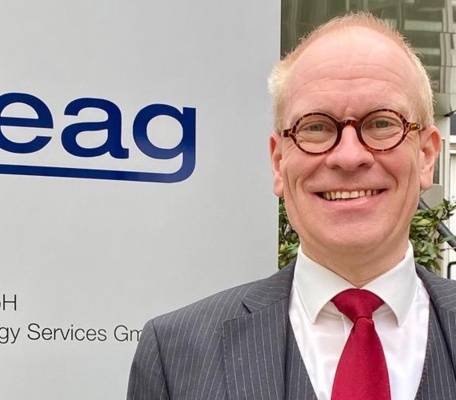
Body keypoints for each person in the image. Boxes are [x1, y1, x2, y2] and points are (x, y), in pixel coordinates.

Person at [127, 12, 456, 400]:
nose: (348, 156)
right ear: (279, 162)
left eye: (382, 123)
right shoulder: (175, 353)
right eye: (316, 127)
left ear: (426, 155)